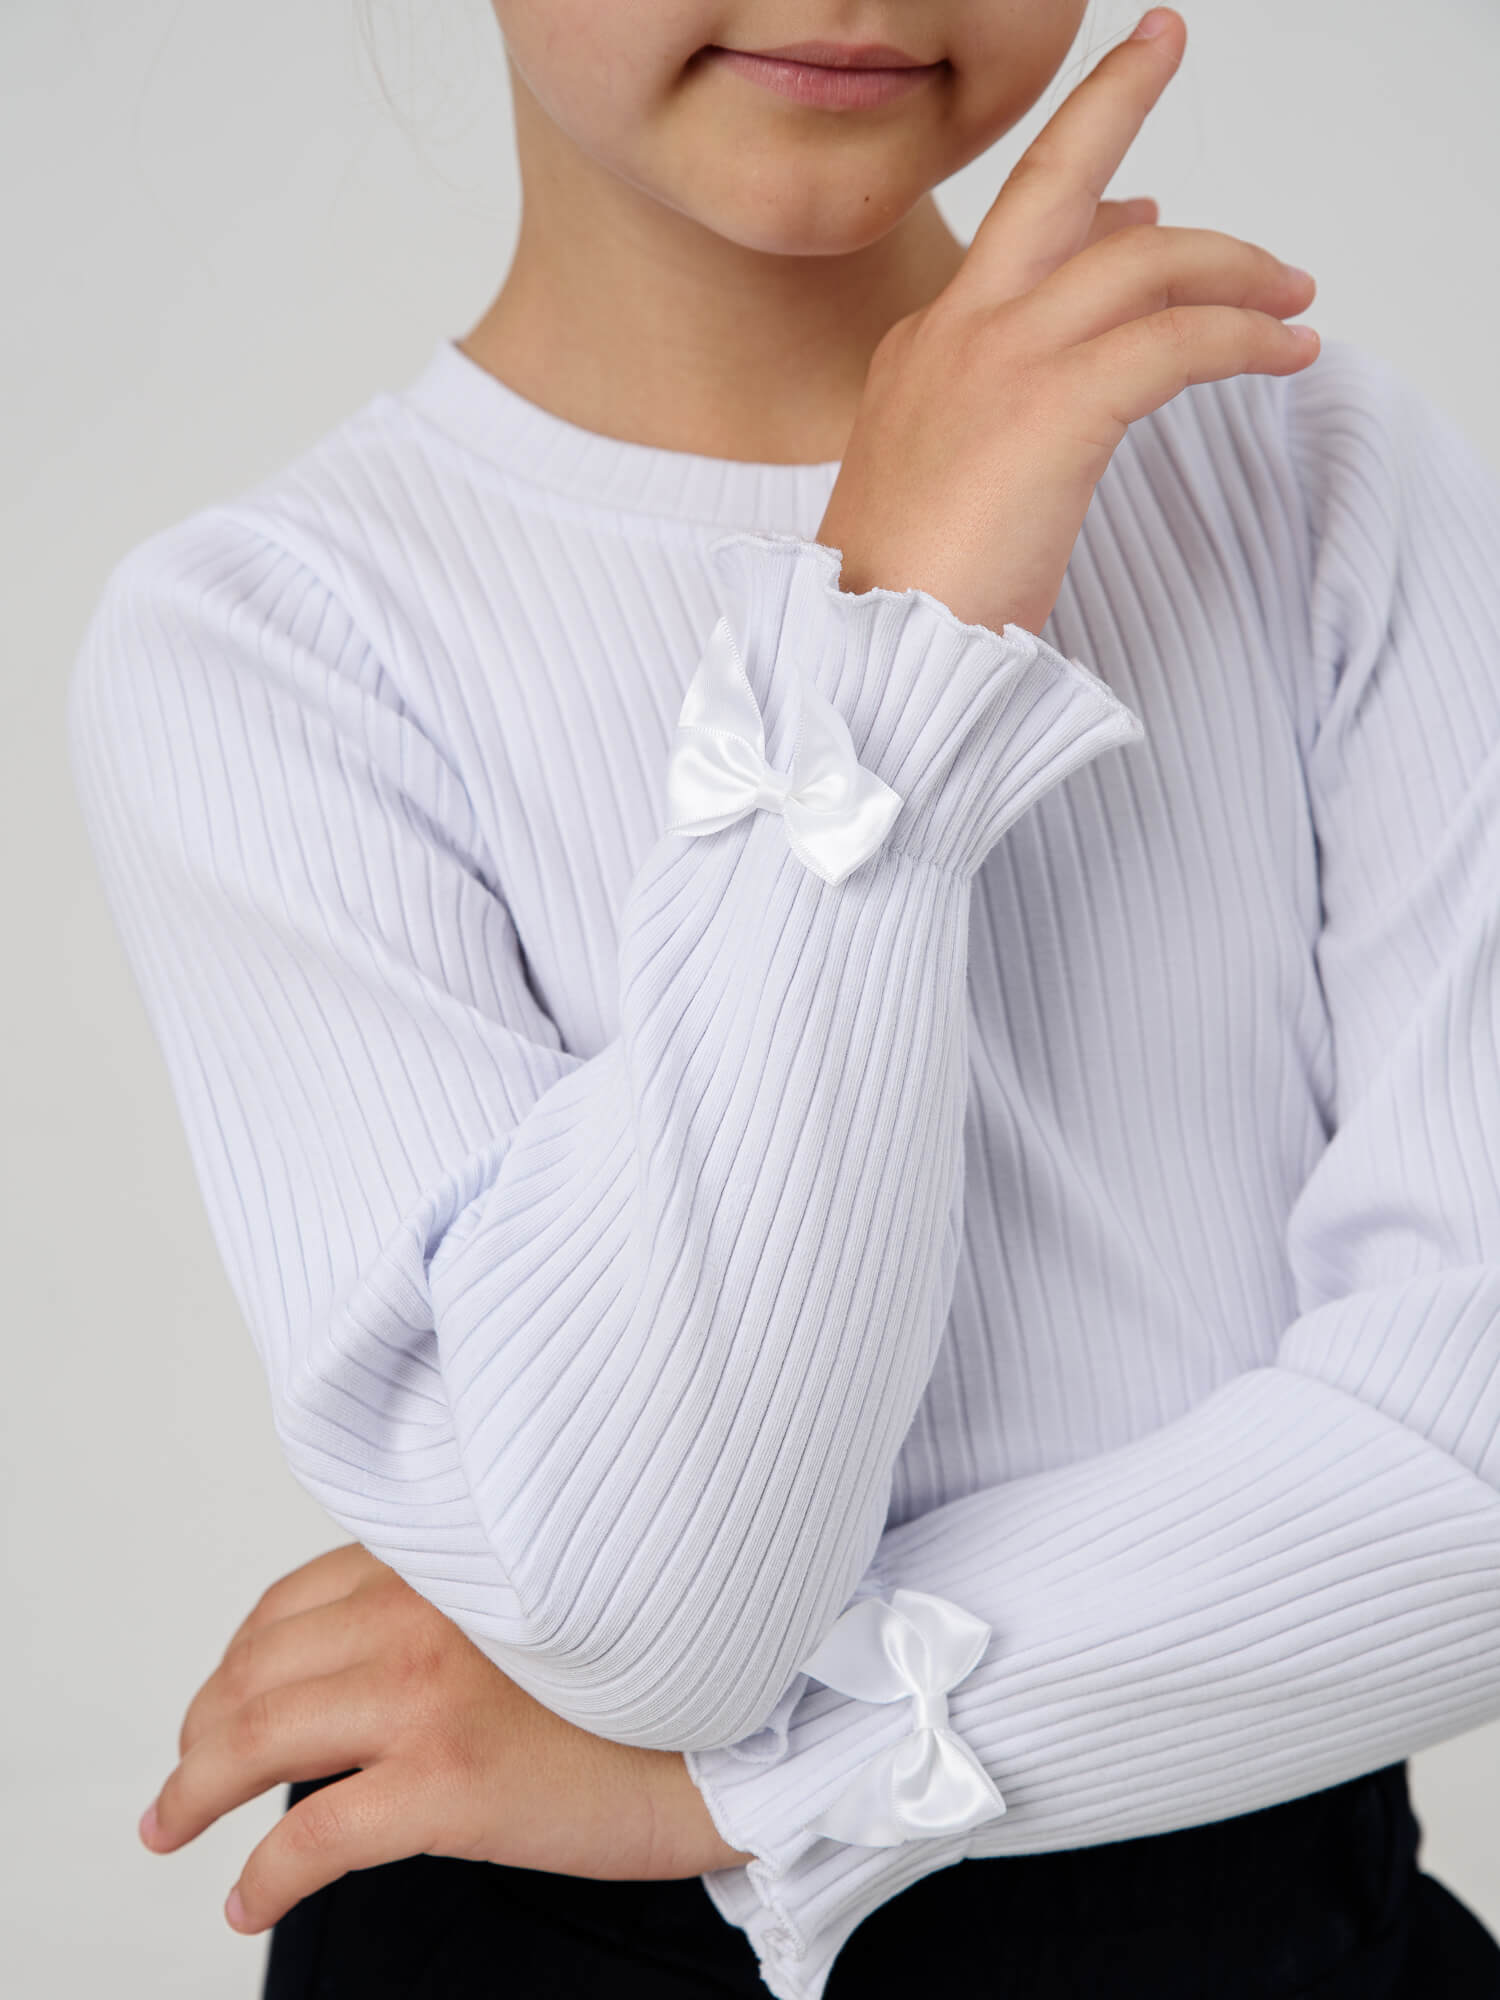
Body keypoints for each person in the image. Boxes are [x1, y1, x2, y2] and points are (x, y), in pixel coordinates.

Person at [65, 2, 1500, 1995]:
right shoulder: (271, 643)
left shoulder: (1318, 473)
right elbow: (663, 1606)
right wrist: (896, 630)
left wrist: (757, 1778)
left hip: (1284, 1933)